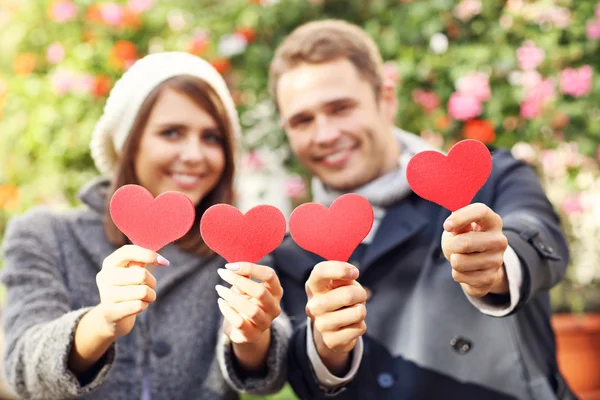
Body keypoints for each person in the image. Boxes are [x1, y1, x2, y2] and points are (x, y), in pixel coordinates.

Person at [268, 20, 577, 399]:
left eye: (341, 107)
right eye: (302, 120)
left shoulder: (490, 179)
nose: (326, 134)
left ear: (386, 99)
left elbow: (537, 233)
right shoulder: (293, 248)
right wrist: (326, 346)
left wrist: (496, 265)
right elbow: (297, 370)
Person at [1, 52, 291, 400]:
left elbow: (270, 373)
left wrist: (251, 337)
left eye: (212, 137)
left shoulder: (236, 243)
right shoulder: (45, 234)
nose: (195, 154)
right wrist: (100, 323)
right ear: (129, 143)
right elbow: (21, 368)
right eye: (171, 133)